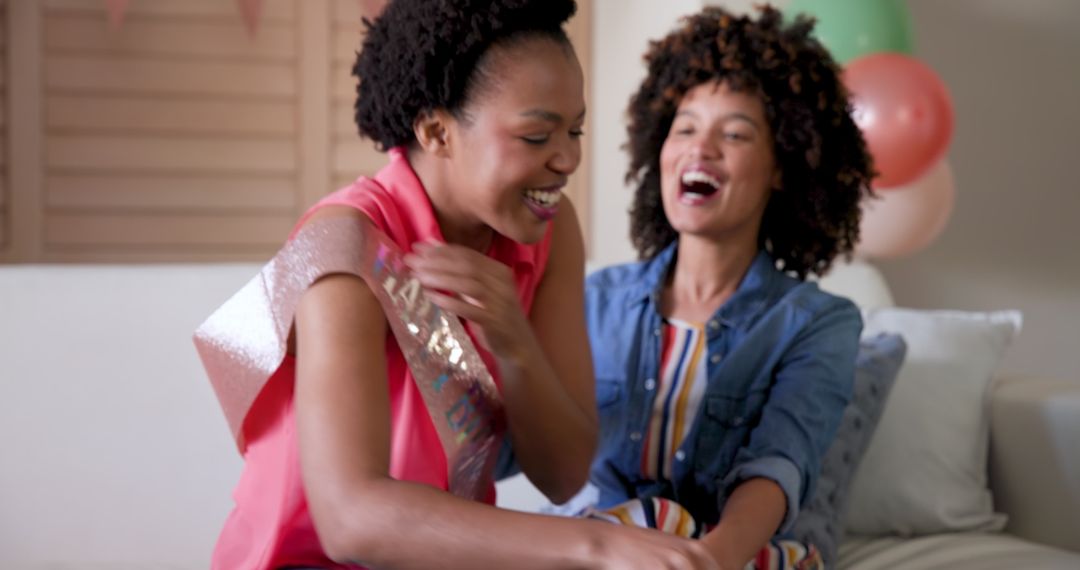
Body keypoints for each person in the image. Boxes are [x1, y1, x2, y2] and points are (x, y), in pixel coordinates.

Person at [200, 1, 719, 568]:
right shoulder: (347, 248)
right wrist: (598, 545)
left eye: (575, 130)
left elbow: (565, 476)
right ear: (437, 131)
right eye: (537, 135)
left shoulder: (548, 233)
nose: (568, 158)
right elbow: (350, 520)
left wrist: (514, 341)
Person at [576, 6, 875, 569]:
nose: (700, 148)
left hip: (734, 553)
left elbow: (780, 463)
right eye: (684, 128)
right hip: (612, 545)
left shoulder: (819, 322)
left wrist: (709, 561)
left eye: (734, 133)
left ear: (783, 166)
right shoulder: (596, 300)